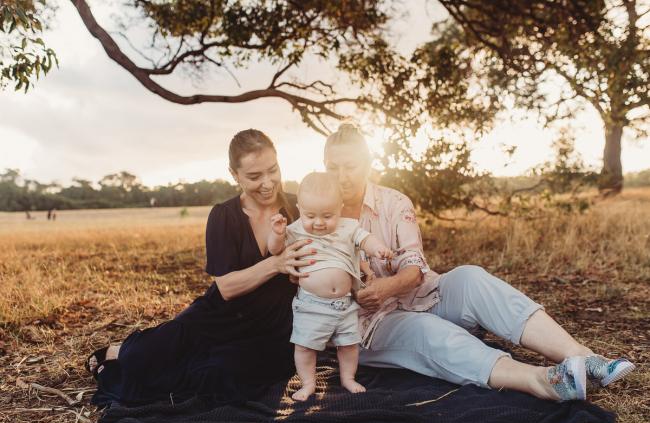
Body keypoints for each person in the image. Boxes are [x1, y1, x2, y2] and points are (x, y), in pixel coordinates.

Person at [322, 123, 635, 402]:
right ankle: (542, 381)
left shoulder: (393, 201)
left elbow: (414, 266)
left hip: (419, 295)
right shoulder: (316, 217)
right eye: (332, 167)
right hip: (369, 326)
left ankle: (585, 358)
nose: (341, 176)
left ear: (367, 163)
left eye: (349, 166)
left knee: (470, 277)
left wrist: (389, 286)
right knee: (426, 330)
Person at [86, 129, 316, 405]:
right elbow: (228, 288)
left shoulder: (300, 207)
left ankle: (134, 371)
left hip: (274, 329)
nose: (267, 183)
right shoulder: (223, 216)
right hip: (218, 317)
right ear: (235, 175)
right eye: (254, 177)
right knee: (144, 355)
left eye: (273, 170)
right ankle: (120, 351)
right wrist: (277, 263)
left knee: (215, 378)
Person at [268, 172, 393, 401]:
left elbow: (365, 240)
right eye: (310, 215)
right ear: (299, 208)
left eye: (327, 215)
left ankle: (348, 378)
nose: (318, 222)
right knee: (305, 346)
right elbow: (275, 250)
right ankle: (307, 383)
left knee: (349, 345)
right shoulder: (296, 230)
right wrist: (276, 234)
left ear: (340, 209)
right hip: (311, 305)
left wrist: (378, 249)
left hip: (345, 305)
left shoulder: (348, 227)